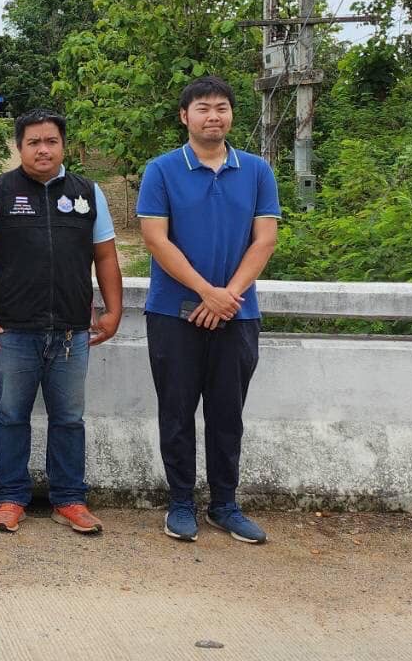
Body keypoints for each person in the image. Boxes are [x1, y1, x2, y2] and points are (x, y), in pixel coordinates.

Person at [0, 109, 123, 535]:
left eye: (51, 141)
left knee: (69, 418)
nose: (43, 149)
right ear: (19, 147)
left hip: (73, 330)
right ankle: (11, 498)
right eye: (33, 142)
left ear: (63, 145)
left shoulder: (88, 193)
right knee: (11, 415)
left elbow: (105, 254)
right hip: (14, 330)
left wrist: (113, 309)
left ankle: (69, 499)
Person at [135, 75, 280, 544]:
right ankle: (180, 503)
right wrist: (205, 292)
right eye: (202, 108)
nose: (212, 116)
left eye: (221, 107)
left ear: (232, 115)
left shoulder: (257, 170)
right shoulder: (161, 170)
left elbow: (265, 240)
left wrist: (227, 296)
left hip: (238, 312)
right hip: (173, 311)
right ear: (184, 116)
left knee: (227, 413)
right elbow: (155, 239)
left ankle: (225, 504)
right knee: (176, 411)